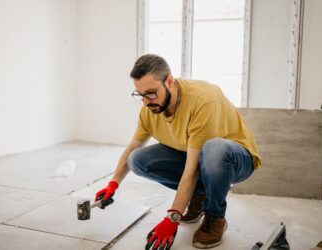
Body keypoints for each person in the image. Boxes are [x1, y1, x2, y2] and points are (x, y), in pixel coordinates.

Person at [94, 54, 261, 249]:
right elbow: (133, 147)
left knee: (214, 149)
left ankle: (215, 216)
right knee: (137, 159)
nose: (146, 102)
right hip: (197, 157)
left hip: (234, 157)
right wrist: (113, 184)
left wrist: (173, 216)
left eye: (151, 93)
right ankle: (200, 194)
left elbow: (191, 168)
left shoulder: (202, 100)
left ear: (170, 81)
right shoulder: (149, 109)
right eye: (140, 95)